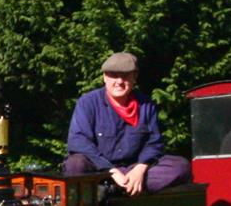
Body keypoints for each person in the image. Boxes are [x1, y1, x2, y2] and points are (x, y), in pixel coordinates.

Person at [62, 52, 191, 194]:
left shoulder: (146, 105)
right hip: (98, 170)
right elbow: (78, 141)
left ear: (134, 77)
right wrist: (111, 171)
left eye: (125, 76)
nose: (119, 81)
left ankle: (113, 190)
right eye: (113, 75)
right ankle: (118, 188)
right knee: (76, 164)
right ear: (104, 77)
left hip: (132, 169)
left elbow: (154, 143)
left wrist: (140, 169)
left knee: (180, 166)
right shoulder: (88, 102)